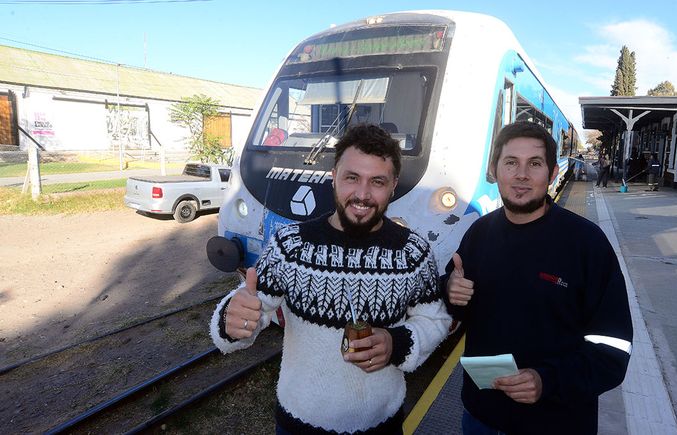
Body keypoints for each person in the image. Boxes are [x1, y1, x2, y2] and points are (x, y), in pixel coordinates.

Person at [210, 124, 451, 434]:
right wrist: (233, 318)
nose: (362, 194)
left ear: (393, 186)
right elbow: (252, 311)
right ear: (334, 177)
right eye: (352, 178)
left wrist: (396, 342)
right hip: (298, 424)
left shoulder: (414, 252)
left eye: (377, 181)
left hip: (382, 424)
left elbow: (435, 319)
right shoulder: (290, 245)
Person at [444, 121, 633, 434]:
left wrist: (548, 381)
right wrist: (450, 289)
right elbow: (458, 308)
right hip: (482, 417)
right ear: (495, 171)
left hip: (558, 421)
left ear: (553, 173)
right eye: (511, 163)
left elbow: (612, 349)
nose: (521, 175)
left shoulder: (587, 243)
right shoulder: (480, 233)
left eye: (534, 164)